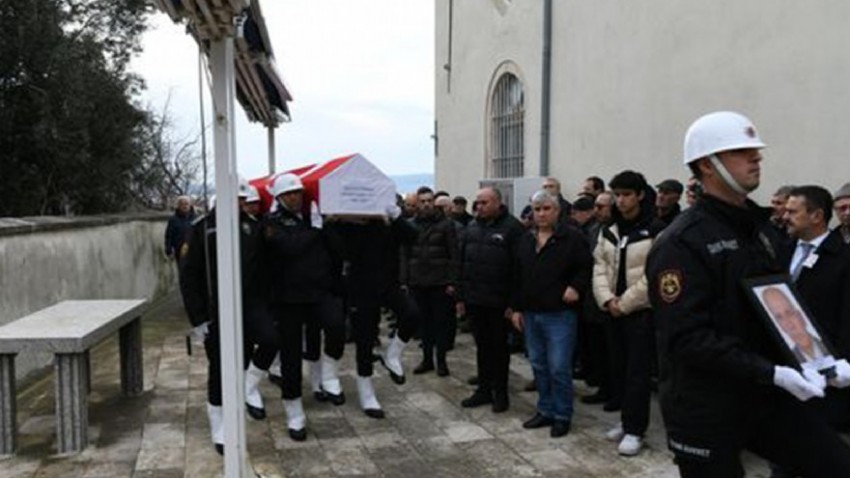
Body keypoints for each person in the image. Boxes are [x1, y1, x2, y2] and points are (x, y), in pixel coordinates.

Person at [647, 111, 850, 477]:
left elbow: (780, 304)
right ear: (708, 165)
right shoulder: (680, 243)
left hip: (764, 394)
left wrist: (820, 357)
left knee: (835, 464)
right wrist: (771, 372)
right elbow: (687, 338)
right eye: (742, 152)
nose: (757, 158)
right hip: (705, 405)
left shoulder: (761, 228)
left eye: (755, 151)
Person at [179, 181, 278, 455]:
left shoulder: (252, 225)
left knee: (269, 341)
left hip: (251, 304)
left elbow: (268, 261)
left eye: (240, 198)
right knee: (220, 368)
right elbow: (188, 277)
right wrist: (198, 319)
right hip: (215, 310)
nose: (237, 203)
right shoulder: (201, 228)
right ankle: (218, 420)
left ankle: (247, 386)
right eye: (232, 197)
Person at [262, 173, 347, 441]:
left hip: (319, 292)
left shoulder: (314, 219)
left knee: (336, 327)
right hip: (288, 299)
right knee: (290, 357)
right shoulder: (272, 223)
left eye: (298, 192)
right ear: (279, 198)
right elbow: (290, 248)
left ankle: (330, 374)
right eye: (289, 194)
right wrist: (316, 229)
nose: (295, 197)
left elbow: (338, 251)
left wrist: (328, 225)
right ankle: (294, 410)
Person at [592, 170, 664, 456]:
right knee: (618, 368)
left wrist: (626, 303)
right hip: (612, 309)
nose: (620, 201)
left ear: (640, 195)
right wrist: (608, 300)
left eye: (626, 195)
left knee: (637, 373)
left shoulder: (654, 229)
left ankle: (636, 430)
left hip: (640, 312)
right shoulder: (610, 229)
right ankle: (625, 421)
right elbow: (599, 267)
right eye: (617, 195)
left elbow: (654, 274)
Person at [512, 190, 592, 438]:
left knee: (559, 367)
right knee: (538, 364)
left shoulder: (573, 238)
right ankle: (545, 409)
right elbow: (516, 275)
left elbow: (586, 267)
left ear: (557, 211)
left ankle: (562, 415)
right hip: (531, 313)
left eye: (547, 209)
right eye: (537, 209)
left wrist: (575, 287)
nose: (542, 213)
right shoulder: (526, 240)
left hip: (559, 314)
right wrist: (515, 308)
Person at [456, 187, 525, 413]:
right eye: (477, 203)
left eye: (484, 203)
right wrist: (461, 296)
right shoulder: (473, 227)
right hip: (476, 299)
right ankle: (483, 389)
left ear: (498, 202)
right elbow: (463, 262)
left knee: (499, 349)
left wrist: (513, 303)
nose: (479, 207)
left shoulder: (513, 228)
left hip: (499, 302)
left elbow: (519, 269)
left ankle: (500, 392)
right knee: (482, 347)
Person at [401, 187, 459, 377]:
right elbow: (405, 255)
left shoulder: (446, 225)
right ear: (417, 204)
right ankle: (426, 359)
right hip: (418, 281)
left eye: (429, 200)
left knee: (440, 324)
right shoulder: (410, 225)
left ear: (433, 203)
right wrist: (405, 280)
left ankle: (441, 361)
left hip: (440, 281)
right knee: (424, 324)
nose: (426, 204)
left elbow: (454, 254)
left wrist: (452, 281)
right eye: (422, 201)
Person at [165, 195, 196, 260]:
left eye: (186, 204)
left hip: (194, 251)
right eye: (182, 204)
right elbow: (169, 236)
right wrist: (169, 251)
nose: (185, 206)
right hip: (179, 251)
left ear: (190, 205)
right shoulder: (173, 220)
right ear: (178, 206)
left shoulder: (196, 218)